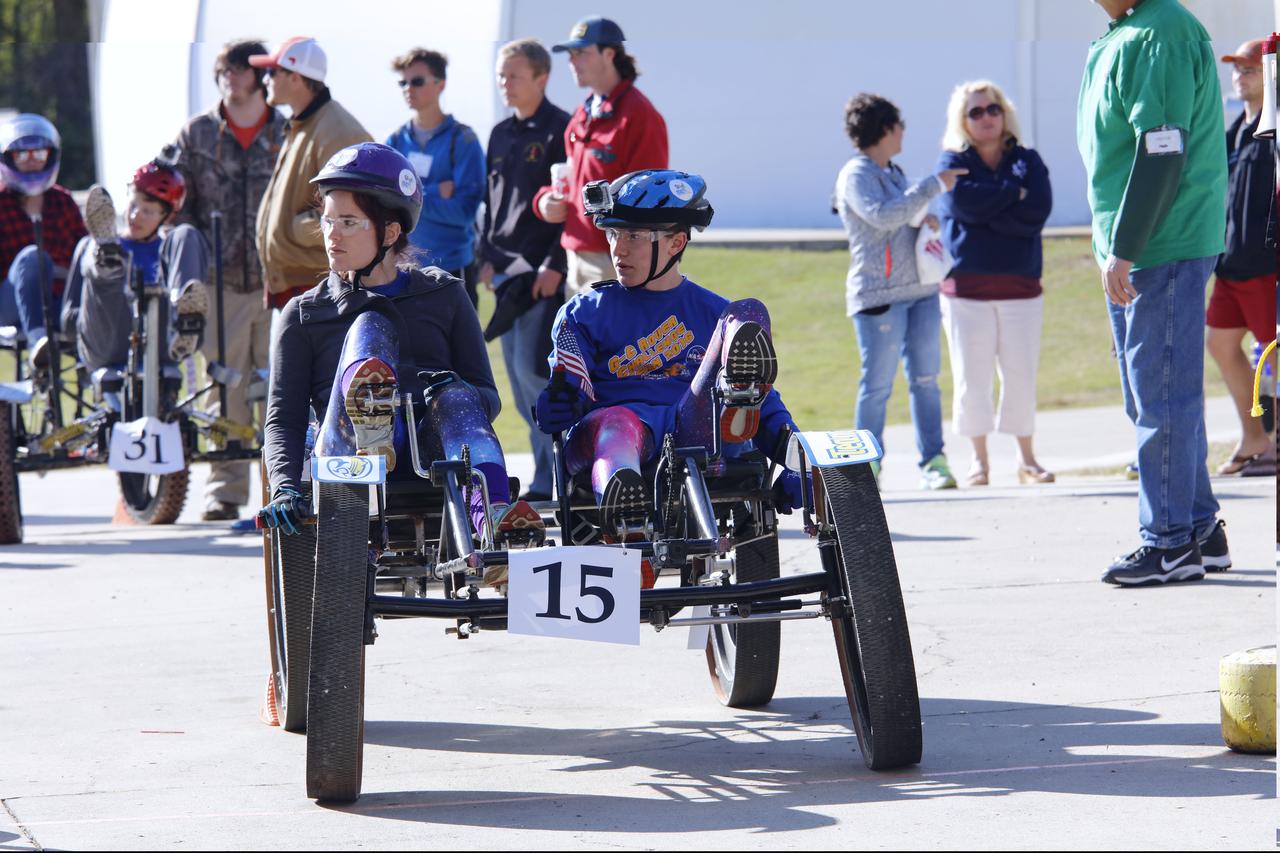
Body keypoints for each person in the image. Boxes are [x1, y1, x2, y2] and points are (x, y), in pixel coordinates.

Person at [259, 143, 542, 552]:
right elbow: (283, 419)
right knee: (369, 326)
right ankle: (370, 423)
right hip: (343, 458)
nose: (332, 234)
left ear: (390, 233)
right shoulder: (304, 314)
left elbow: (489, 397)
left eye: (348, 222)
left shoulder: (445, 294)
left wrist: (453, 392)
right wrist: (285, 486)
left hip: (430, 454)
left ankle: (493, 518)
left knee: (458, 398)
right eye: (327, 220)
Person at [533, 169, 808, 541]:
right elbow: (568, 384)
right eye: (613, 234)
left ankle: (797, 455)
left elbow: (764, 401)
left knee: (747, 313)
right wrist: (560, 397)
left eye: (633, 236)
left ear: (677, 242)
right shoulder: (583, 312)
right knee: (617, 423)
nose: (618, 249)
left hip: (696, 433)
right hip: (610, 440)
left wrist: (797, 461)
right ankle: (624, 506)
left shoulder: (715, 313)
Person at [1078, 0, 1231, 586]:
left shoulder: (1159, 31)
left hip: (1159, 243)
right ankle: (1199, 528)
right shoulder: (1129, 31)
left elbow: (1162, 146)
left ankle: (1168, 543)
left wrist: (1127, 244)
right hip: (1141, 245)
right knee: (1156, 396)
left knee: (1161, 397)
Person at [173, 38, 288, 522]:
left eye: (240, 69)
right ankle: (225, 491)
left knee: (281, 388)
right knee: (226, 388)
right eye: (224, 69)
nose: (230, 77)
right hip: (219, 283)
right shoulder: (197, 133)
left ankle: (285, 491)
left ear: (261, 77)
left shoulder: (288, 131)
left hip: (280, 277)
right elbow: (175, 201)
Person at [834, 93, 966, 490]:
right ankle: (866, 466)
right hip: (878, 297)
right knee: (877, 386)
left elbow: (903, 214)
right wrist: (932, 186)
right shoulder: (856, 175)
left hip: (921, 291)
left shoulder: (892, 171)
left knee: (926, 380)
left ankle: (934, 462)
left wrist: (924, 219)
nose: (904, 132)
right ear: (887, 129)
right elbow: (882, 216)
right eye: (900, 125)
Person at [935, 80, 1054, 487]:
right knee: (972, 377)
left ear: (1004, 113)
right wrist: (1010, 195)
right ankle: (979, 460)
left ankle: (1027, 459)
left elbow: (1036, 211)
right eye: (975, 112)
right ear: (962, 120)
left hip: (1021, 287)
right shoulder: (951, 161)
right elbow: (959, 204)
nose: (986, 117)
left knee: (1021, 374)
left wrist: (985, 209)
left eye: (992, 109)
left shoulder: (1027, 161)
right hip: (965, 292)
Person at [477, 38, 571, 503]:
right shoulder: (498, 133)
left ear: (541, 77)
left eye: (514, 75)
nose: (505, 83)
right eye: (501, 75)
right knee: (516, 384)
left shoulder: (561, 130)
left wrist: (555, 263)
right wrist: (484, 256)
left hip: (540, 277)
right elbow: (491, 202)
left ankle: (556, 475)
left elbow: (570, 206)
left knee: (534, 374)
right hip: (504, 274)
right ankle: (544, 472)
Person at [532, 16, 668, 300]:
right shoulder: (583, 113)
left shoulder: (640, 115)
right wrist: (544, 201)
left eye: (581, 52)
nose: (572, 61)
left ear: (610, 54)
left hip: (614, 260)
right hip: (575, 256)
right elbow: (571, 178)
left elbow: (648, 202)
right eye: (570, 54)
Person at [60, 154, 209, 381]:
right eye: (133, 205)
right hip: (108, 344)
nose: (134, 215)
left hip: (162, 343)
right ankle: (107, 261)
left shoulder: (170, 248)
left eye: (147, 211)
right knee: (92, 247)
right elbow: (68, 323)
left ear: (166, 217)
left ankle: (184, 321)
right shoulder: (87, 247)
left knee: (187, 234)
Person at [252, 37, 371, 312]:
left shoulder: (338, 130)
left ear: (295, 77)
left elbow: (357, 213)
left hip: (320, 289)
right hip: (303, 288)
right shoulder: (304, 124)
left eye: (272, 72)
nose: (265, 80)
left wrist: (295, 229)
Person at [1206, 39, 1277, 477]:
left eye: (1249, 69)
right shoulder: (1235, 130)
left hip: (1267, 267)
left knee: (1273, 356)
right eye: (1236, 69)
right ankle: (1254, 438)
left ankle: (1274, 446)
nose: (1239, 76)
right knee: (1219, 343)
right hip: (1232, 265)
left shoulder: (1275, 127)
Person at [385, 48, 486, 309]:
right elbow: (385, 203)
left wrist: (407, 196)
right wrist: (435, 191)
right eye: (403, 83)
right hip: (403, 270)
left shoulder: (463, 140)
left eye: (417, 81)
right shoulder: (394, 141)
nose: (408, 88)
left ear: (441, 84)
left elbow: (464, 213)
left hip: (452, 270)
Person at [0, 113, 87, 370]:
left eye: (38, 154)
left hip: (60, 302)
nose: (31, 161)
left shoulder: (63, 202)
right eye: (22, 155)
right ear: (8, 158)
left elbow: (83, 254)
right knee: (33, 257)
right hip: (10, 305)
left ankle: (100, 372)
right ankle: (39, 343)